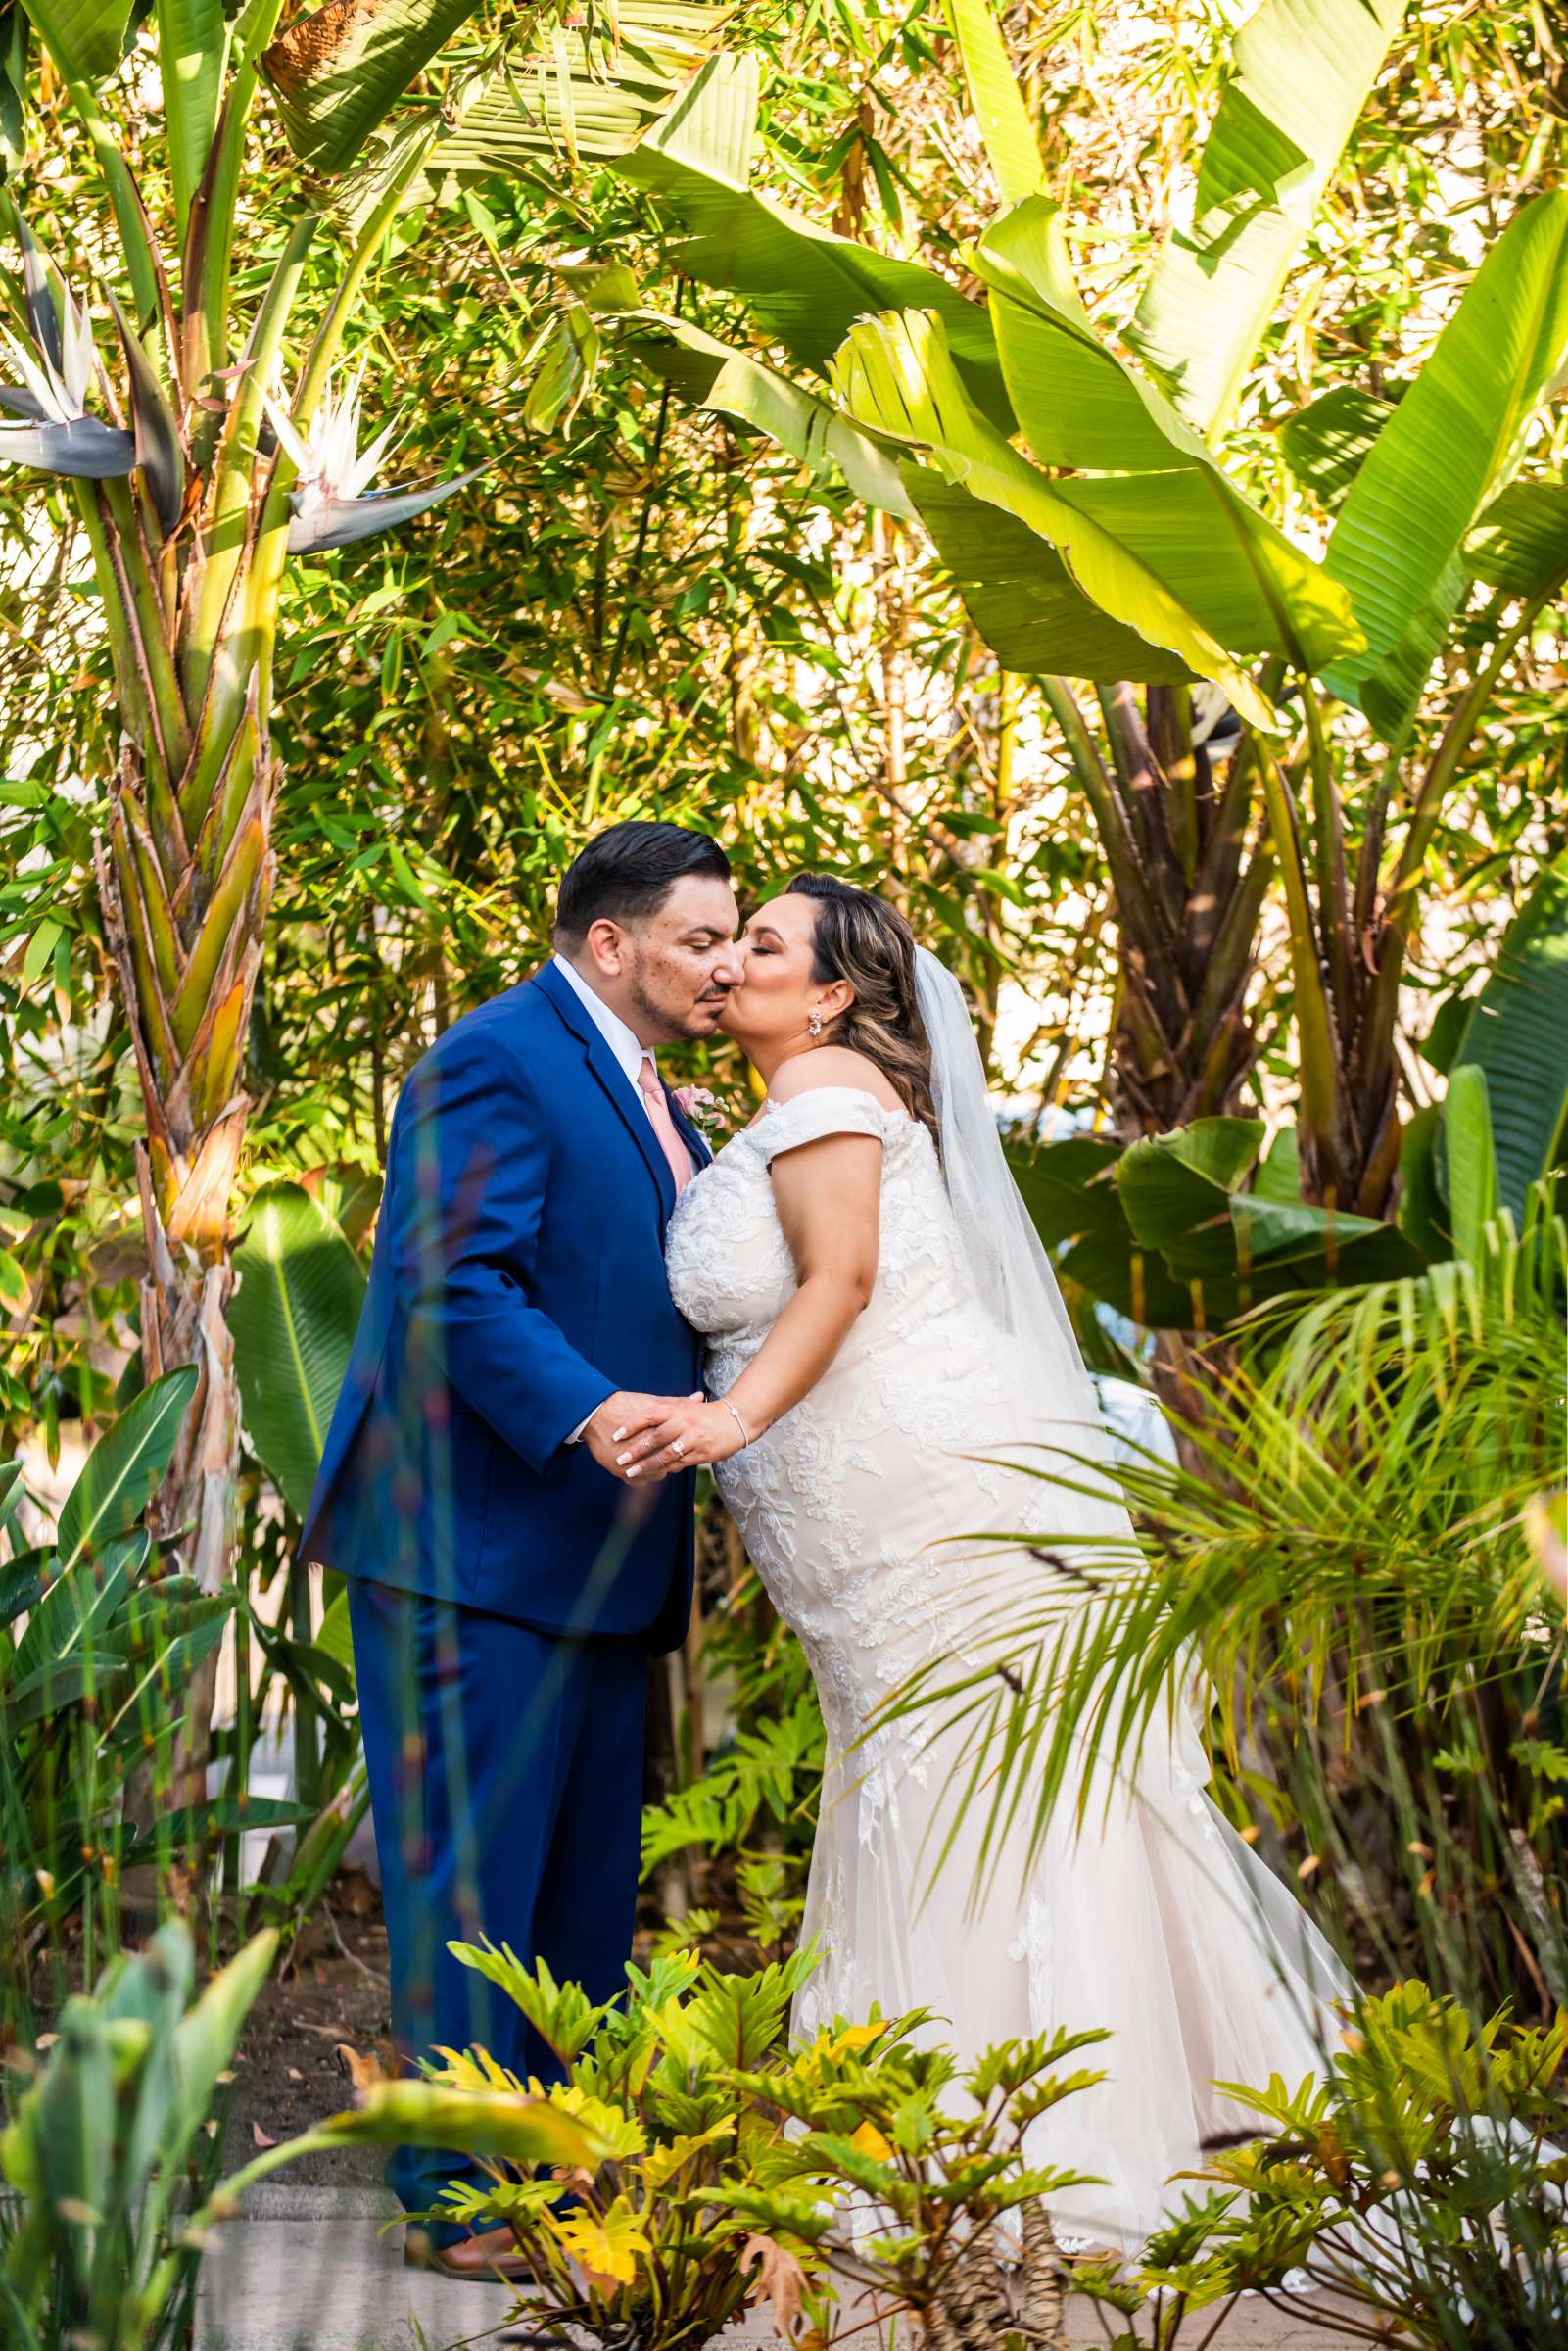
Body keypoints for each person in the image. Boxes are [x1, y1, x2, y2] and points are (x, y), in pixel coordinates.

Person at [625, 872, 1354, 2255]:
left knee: (960, 1776)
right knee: (946, 1772)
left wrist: (727, 1419)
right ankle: (992, 2110)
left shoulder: (829, 1089)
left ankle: (1012, 2129)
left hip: (918, 1497)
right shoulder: (791, 1098)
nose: (733, 964)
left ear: (834, 992)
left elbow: (838, 1280)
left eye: (764, 946)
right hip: (860, 1513)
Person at [299, 821, 742, 2275]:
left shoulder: (644, 1085)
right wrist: (595, 1409)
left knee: (574, 1890)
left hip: (599, 1553)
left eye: (734, 938)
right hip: (469, 1547)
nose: (722, 964)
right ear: (609, 944)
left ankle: (550, 2169)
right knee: (470, 1880)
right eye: (698, 939)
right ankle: (451, 2193)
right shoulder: (494, 1056)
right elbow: (449, 1281)